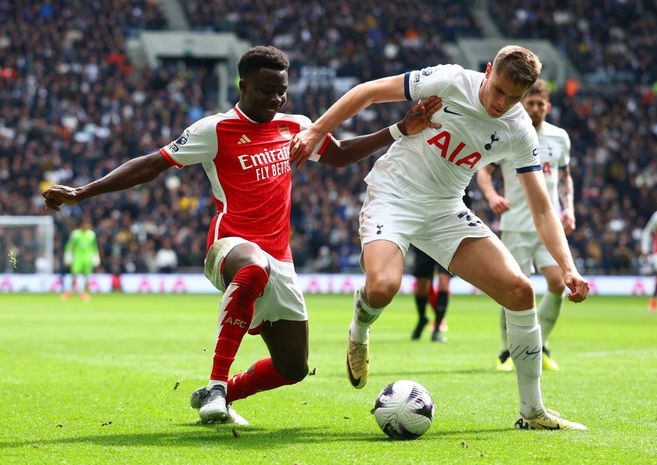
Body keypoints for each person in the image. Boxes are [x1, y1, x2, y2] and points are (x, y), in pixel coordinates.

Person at [43, 45, 442, 425]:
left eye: (282, 91)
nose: (277, 100)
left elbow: (337, 155)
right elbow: (152, 164)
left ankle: (222, 394)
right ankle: (217, 384)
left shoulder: (296, 126)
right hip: (229, 246)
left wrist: (399, 129)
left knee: (293, 367)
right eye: (268, 91)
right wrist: (82, 192)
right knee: (252, 268)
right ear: (243, 87)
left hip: (279, 259)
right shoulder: (215, 129)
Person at [291, 45, 590, 430]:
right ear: (488, 70)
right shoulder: (449, 80)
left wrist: (568, 267)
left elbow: (543, 207)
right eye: (498, 89)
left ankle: (532, 412)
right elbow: (367, 91)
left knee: (519, 291)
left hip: (446, 209)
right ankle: (360, 328)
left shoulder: (517, 128)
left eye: (513, 97)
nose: (502, 103)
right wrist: (317, 129)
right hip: (394, 197)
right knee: (382, 287)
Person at [476, 79, 574, 372]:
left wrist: (568, 208)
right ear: (521, 104)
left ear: (548, 106)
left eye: (539, 104)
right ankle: (507, 352)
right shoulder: (508, 133)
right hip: (516, 224)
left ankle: (538, 345)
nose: (534, 109)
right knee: (513, 288)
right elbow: (484, 171)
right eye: (529, 103)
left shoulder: (559, 138)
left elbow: (565, 176)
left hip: (550, 225)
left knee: (559, 282)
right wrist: (493, 195)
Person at [410, 246, 451, 343]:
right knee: (421, 285)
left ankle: (436, 330)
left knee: (443, 281)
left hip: (446, 242)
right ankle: (422, 319)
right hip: (425, 239)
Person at [61, 218, 100, 301]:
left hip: (88, 258)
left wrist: (96, 256)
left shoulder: (91, 235)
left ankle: (85, 294)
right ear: (81, 225)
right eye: (86, 224)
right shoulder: (75, 234)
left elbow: (94, 247)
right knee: (74, 275)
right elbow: (70, 246)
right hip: (77, 258)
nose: (88, 226)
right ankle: (69, 292)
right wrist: (68, 255)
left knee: (87, 277)